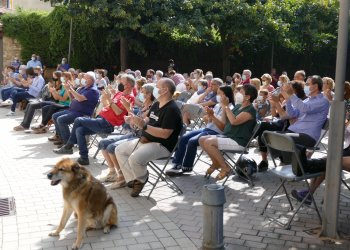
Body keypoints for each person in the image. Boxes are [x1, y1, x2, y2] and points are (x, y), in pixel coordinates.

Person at [115, 78, 183, 197]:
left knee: (134, 158)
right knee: (119, 150)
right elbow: (146, 120)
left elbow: (165, 134)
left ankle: (141, 180)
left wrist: (144, 126)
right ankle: (132, 179)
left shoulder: (172, 109)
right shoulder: (156, 104)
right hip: (146, 140)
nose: (155, 89)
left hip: (162, 145)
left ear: (165, 90)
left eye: (157, 86)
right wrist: (134, 120)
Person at [53, 74, 135, 165]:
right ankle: (84, 158)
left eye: (121, 82)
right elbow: (108, 106)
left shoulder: (130, 98)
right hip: (100, 120)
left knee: (78, 120)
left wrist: (109, 99)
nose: (119, 83)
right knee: (80, 130)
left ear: (127, 85)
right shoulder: (119, 94)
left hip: (107, 124)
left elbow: (118, 112)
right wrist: (106, 98)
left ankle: (69, 145)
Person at [257, 76, 330, 171]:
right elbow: (291, 114)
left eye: (308, 84)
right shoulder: (307, 100)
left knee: (278, 138)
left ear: (316, 86)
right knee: (265, 136)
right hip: (294, 132)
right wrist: (287, 99)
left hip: (308, 136)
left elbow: (305, 108)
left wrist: (291, 95)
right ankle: (291, 163)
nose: (305, 86)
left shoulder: (323, 101)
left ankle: (293, 165)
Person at [166, 86, 234, 176]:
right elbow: (210, 122)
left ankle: (186, 166)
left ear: (226, 95)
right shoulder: (218, 105)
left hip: (217, 132)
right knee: (183, 137)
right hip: (208, 128)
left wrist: (212, 116)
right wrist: (208, 117)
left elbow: (222, 127)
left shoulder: (230, 107)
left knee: (192, 141)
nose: (217, 96)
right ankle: (176, 164)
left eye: (219, 94)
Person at [98, 84, 155, 189]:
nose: (140, 94)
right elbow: (133, 125)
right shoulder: (143, 107)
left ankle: (122, 177)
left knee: (111, 147)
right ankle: (112, 172)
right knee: (102, 143)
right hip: (133, 133)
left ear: (149, 95)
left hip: (140, 137)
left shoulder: (152, 109)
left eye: (142, 92)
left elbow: (140, 126)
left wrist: (129, 109)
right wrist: (129, 115)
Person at [198, 84, 257, 181]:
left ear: (247, 97)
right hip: (228, 136)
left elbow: (234, 121)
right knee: (201, 139)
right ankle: (216, 163)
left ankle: (225, 167)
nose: (237, 94)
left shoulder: (250, 110)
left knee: (209, 142)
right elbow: (223, 126)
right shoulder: (238, 107)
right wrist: (212, 115)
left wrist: (226, 106)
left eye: (241, 92)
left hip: (238, 141)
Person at [49, 71, 99, 147]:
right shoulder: (82, 88)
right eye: (83, 77)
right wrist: (69, 90)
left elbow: (80, 99)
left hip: (82, 113)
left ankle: (68, 143)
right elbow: (72, 99)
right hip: (73, 110)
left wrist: (71, 89)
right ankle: (61, 138)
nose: (83, 79)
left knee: (61, 120)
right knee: (55, 116)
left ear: (91, 80)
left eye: (85, 78)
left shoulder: (93, 90)